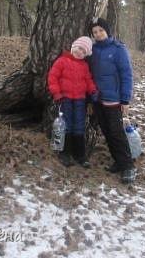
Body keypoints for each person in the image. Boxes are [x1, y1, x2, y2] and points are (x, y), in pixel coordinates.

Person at [88, 17, 136, 184]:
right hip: (98, 98)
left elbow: (126, 74)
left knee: (116, 132)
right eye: (95, 32)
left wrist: (125, 99)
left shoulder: (118, 49)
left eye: (101, 30)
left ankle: (128, 166)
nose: (98, 34)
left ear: (107, 31)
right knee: (107, 131)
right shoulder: (92, 50)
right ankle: (118, 161)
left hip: (114, 99)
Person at [47, 36, 98, 168]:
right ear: (73, 47)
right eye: (79, 48)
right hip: (65, 99)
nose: (80, 52)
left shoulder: (85, 66)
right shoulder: (62, 61)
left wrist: (92, 90)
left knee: (79, 125)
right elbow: (53, 77)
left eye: (83, 51)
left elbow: (88, 80)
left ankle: (80, 155)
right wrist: (56, 93)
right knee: (67, 125)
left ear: (86, 55)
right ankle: (65, 153)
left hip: (80, 100)